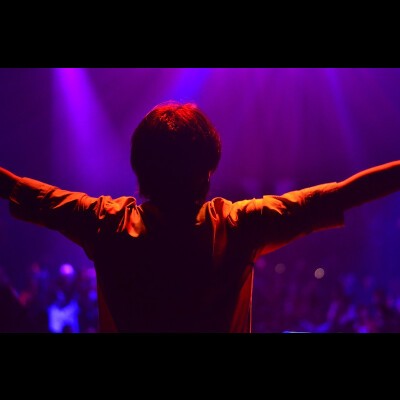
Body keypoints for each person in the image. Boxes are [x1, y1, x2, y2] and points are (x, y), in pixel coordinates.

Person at [1, 100, 400, 333]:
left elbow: (20, 189)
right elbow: (343, 194)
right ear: (208, 170)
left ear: (139, 167)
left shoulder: (105, 222)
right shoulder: (241, 225)